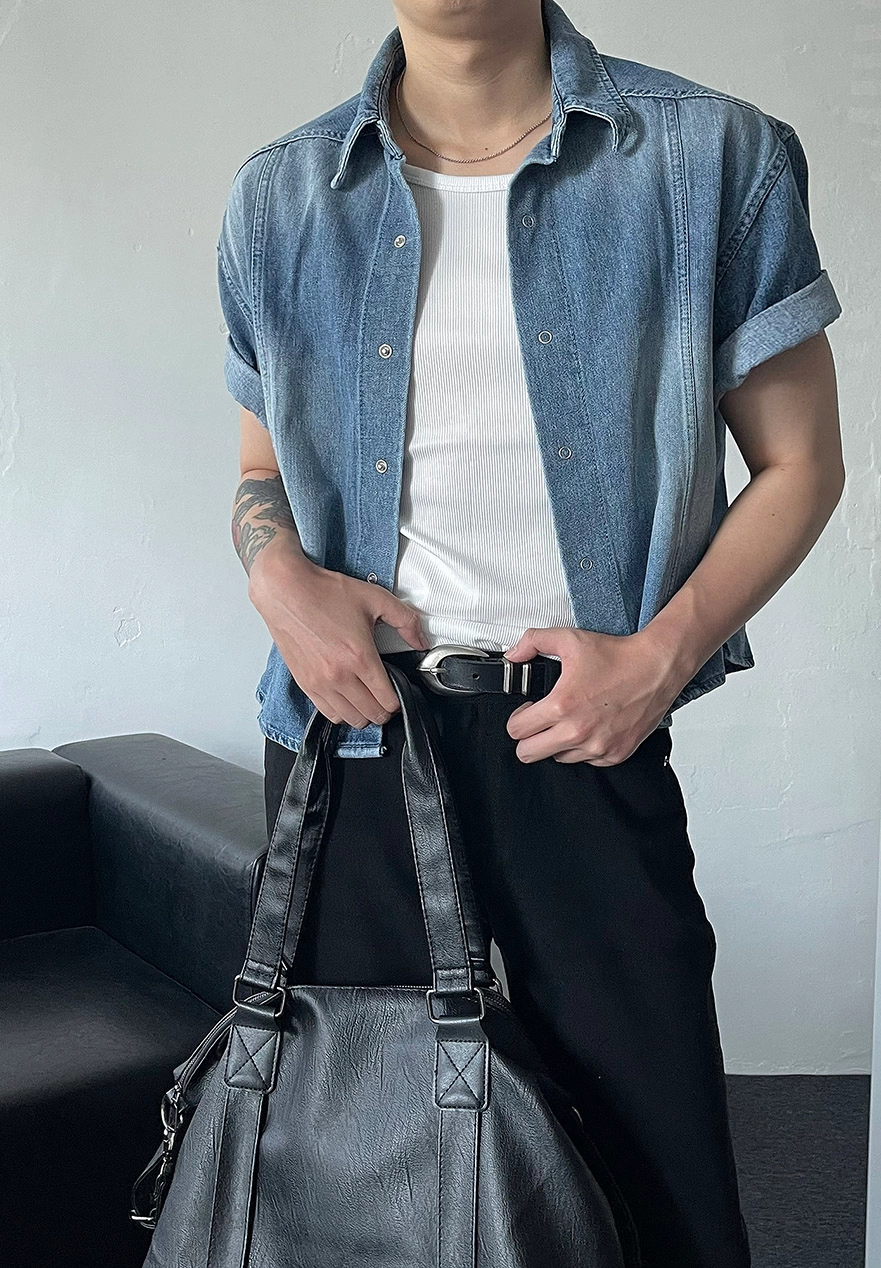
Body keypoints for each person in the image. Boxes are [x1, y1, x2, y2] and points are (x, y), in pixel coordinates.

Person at [219, 0, 844, 1263]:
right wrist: (275, 575)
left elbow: (802, 463)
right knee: (363, 1183)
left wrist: (660, 660)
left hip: (581, 727)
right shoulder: (279, 196)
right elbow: (258, 470)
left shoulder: (709, 158)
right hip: (356, 741)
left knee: (656, 1163)